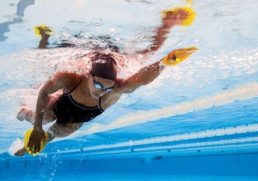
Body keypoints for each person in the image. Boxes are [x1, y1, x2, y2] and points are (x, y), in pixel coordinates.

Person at [15, 6, 197, 156]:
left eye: (107, 88)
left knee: (54, 134)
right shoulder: (70, 77)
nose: (101, 91)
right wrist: (37, 127)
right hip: (58, 106)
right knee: (34, 117)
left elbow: (140, 80)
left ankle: (167, 23)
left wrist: (164, 62)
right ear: (88, 76)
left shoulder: (113, 90)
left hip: (75, 122)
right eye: (98, 85)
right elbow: (45, 92)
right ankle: (44, 40)